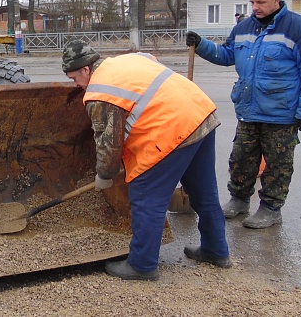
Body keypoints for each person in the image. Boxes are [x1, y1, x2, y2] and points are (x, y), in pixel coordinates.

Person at [61, 41, 230, 281]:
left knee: (146, 196)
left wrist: (104, 175)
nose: (75, 85)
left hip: (172, 131)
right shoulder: (129, 60)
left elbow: (108, 144)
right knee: (204, 193)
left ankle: (142, 265)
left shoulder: (99, 92)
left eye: (73, 78)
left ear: (86, 70)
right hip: (200, 114)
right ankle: (216, 251)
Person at [186, 0, 301, 229]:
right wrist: (202, 44)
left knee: (277, 165)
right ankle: (239, 200)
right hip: (248, 110)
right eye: (252, 2)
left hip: (282, 114)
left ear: (276, 0)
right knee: (241, 159)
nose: (255, 7)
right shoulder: (244, 28)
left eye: (260, 2)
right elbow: (227, 54)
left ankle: (271, 209)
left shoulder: (300, 29)